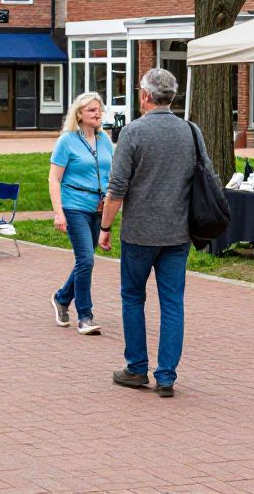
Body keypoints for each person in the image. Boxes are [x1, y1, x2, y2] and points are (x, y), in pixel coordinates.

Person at [99, 68, 209, 398]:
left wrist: (105, 227)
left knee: (133, 298)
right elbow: (205, 174)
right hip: (178, 232)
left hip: (139, 233)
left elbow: (117, 188)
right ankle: (166, 375)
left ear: (146, 95)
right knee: (172, 303)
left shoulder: (133, 132)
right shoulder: (191, 131)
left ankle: (136, 367)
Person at [48, 92, 113, 336]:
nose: (98, 114)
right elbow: (54, 179)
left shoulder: (105, 140)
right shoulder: (67, 141)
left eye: (99, 109)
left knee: (85, 261)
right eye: (92, 110)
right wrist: (58, 213)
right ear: (79, 114)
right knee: (86, 260)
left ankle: (62, 298)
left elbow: (111, 173)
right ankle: (85, 316)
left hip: (98, 208)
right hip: (74, 206)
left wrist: (109, 202)